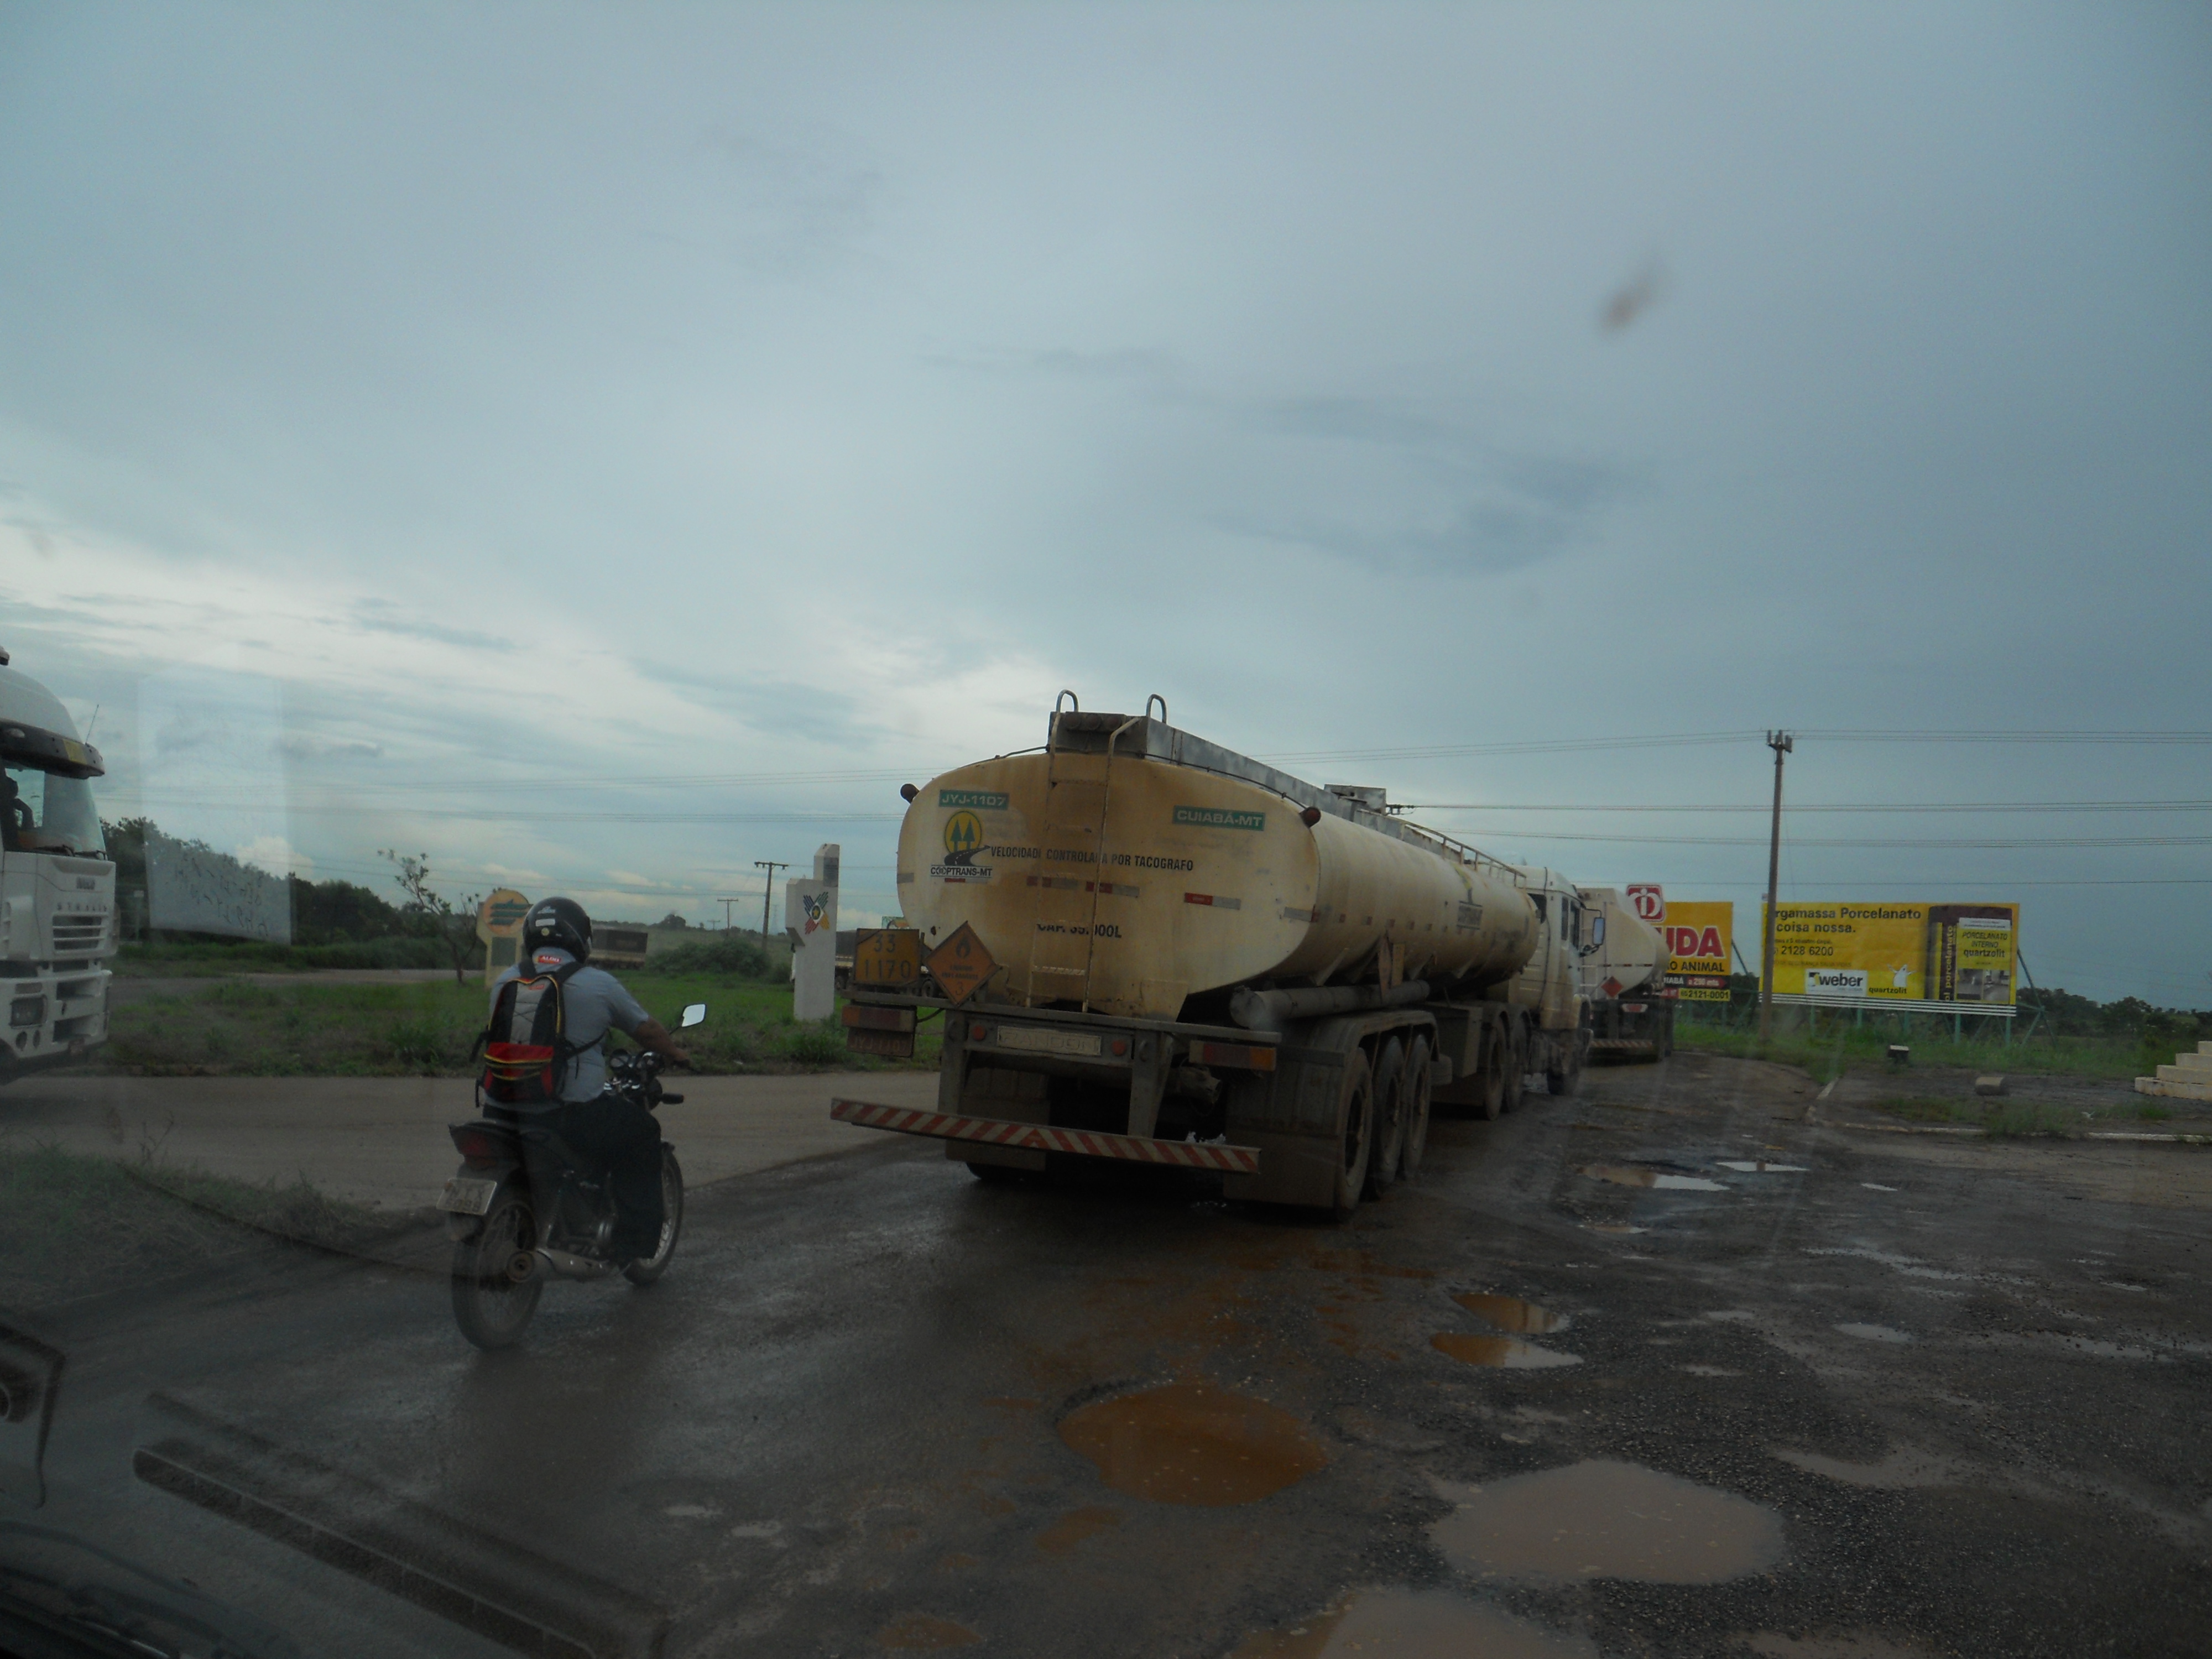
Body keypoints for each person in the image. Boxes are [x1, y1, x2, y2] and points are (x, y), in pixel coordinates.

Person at [491, 896, 691, 1261]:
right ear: (580, 938)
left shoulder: (505, 979)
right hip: (567, 1114)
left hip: (500, 1108)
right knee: (643, 1132)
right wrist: (675, 1053)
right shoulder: (598, 984)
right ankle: (634, 1243)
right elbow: (646, 1031)